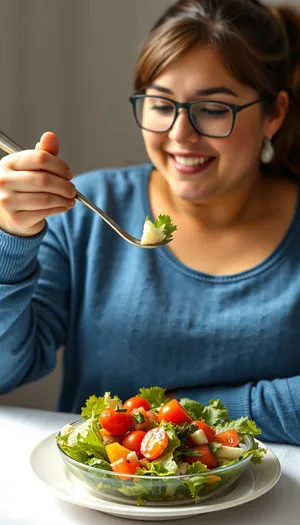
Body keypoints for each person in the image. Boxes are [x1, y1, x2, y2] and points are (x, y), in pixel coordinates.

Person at [1, 0, 300, 445]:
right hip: (102, 505)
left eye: (214, 109)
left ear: (273, 114)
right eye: (161, 104)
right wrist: (12, 241)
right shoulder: (87, 210)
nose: (180, 134)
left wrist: (182, 414)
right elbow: (6, 370)